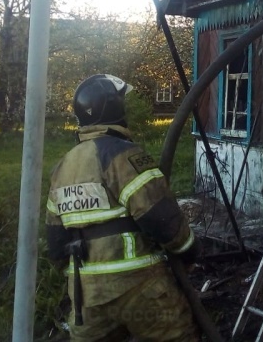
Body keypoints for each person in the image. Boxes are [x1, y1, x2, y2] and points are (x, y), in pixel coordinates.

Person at [46, 73, 200, 342]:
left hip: (87, 298)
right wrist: (189, 251)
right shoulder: (122, 155)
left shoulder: (62, 167)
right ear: (114, 109)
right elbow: (161, 218)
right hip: (138, 287)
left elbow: (56, 243)